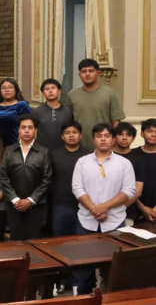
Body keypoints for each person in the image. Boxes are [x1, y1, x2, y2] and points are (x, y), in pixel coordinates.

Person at [72, 123, 136, 295]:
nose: (103, 139)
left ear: (113, 139)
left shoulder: (124, 163)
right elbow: (77, 188)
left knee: (113, 265)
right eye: (99, 136)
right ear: (93, 139)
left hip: (114, 221)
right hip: (86, 221)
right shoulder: (82, 162)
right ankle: (84, 297)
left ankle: (110, 298)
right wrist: (94, 209)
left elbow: (129, 191)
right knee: (84, 264)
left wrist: (103, 207)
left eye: (107, 136)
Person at [0, 114, 52, 240]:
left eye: (30, 127)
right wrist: (15, 199)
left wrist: (30, 200)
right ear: (18, 130)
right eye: (23, 127)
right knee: (16, 241)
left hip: (36, 205)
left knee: (33, 240)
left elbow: (47, 179)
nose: (27, 131)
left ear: (35, 130)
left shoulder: (44, 152)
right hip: (14, 205)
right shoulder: (9, 151)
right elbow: (4, 177)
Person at [69, 59, 126, 150]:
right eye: (84, 71)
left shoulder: (110, 94)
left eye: (91, 71)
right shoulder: (72, 95)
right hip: (78, 146)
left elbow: (116, 121)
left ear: (98, 73)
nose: (87, 74)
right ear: (79, 75)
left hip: (104, 145)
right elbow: (69, 121)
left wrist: (114, 141)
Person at [50, 121, 91, 242]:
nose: (71, 135)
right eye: (67, 133)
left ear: (80, 135)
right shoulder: (53, 154)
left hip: (84, 206)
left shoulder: (89, 155)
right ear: (62, 136)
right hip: (60, 205)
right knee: (60, 241)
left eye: (75, 132)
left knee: (82, 242)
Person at [34, 79, 74, 150]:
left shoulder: (68, 111)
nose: (50, 91)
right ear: (43, 93)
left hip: (63, 150)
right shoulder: (37, 111)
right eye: (47, 89)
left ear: (59, 91)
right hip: (42, 151)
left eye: (53, 88)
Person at [0, 78, 32, 146]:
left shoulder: (22, 105)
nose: (7, 90)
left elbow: (29, 124)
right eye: (3, 88)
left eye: (10, 87)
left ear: (16, 90)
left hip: (15, 143)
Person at [134, 119, 156, 222]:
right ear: (142, 134)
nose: (153, 134)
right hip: (135, 209)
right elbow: (126, 185)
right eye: (149, 131)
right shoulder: (132, 155)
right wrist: (142, 208)